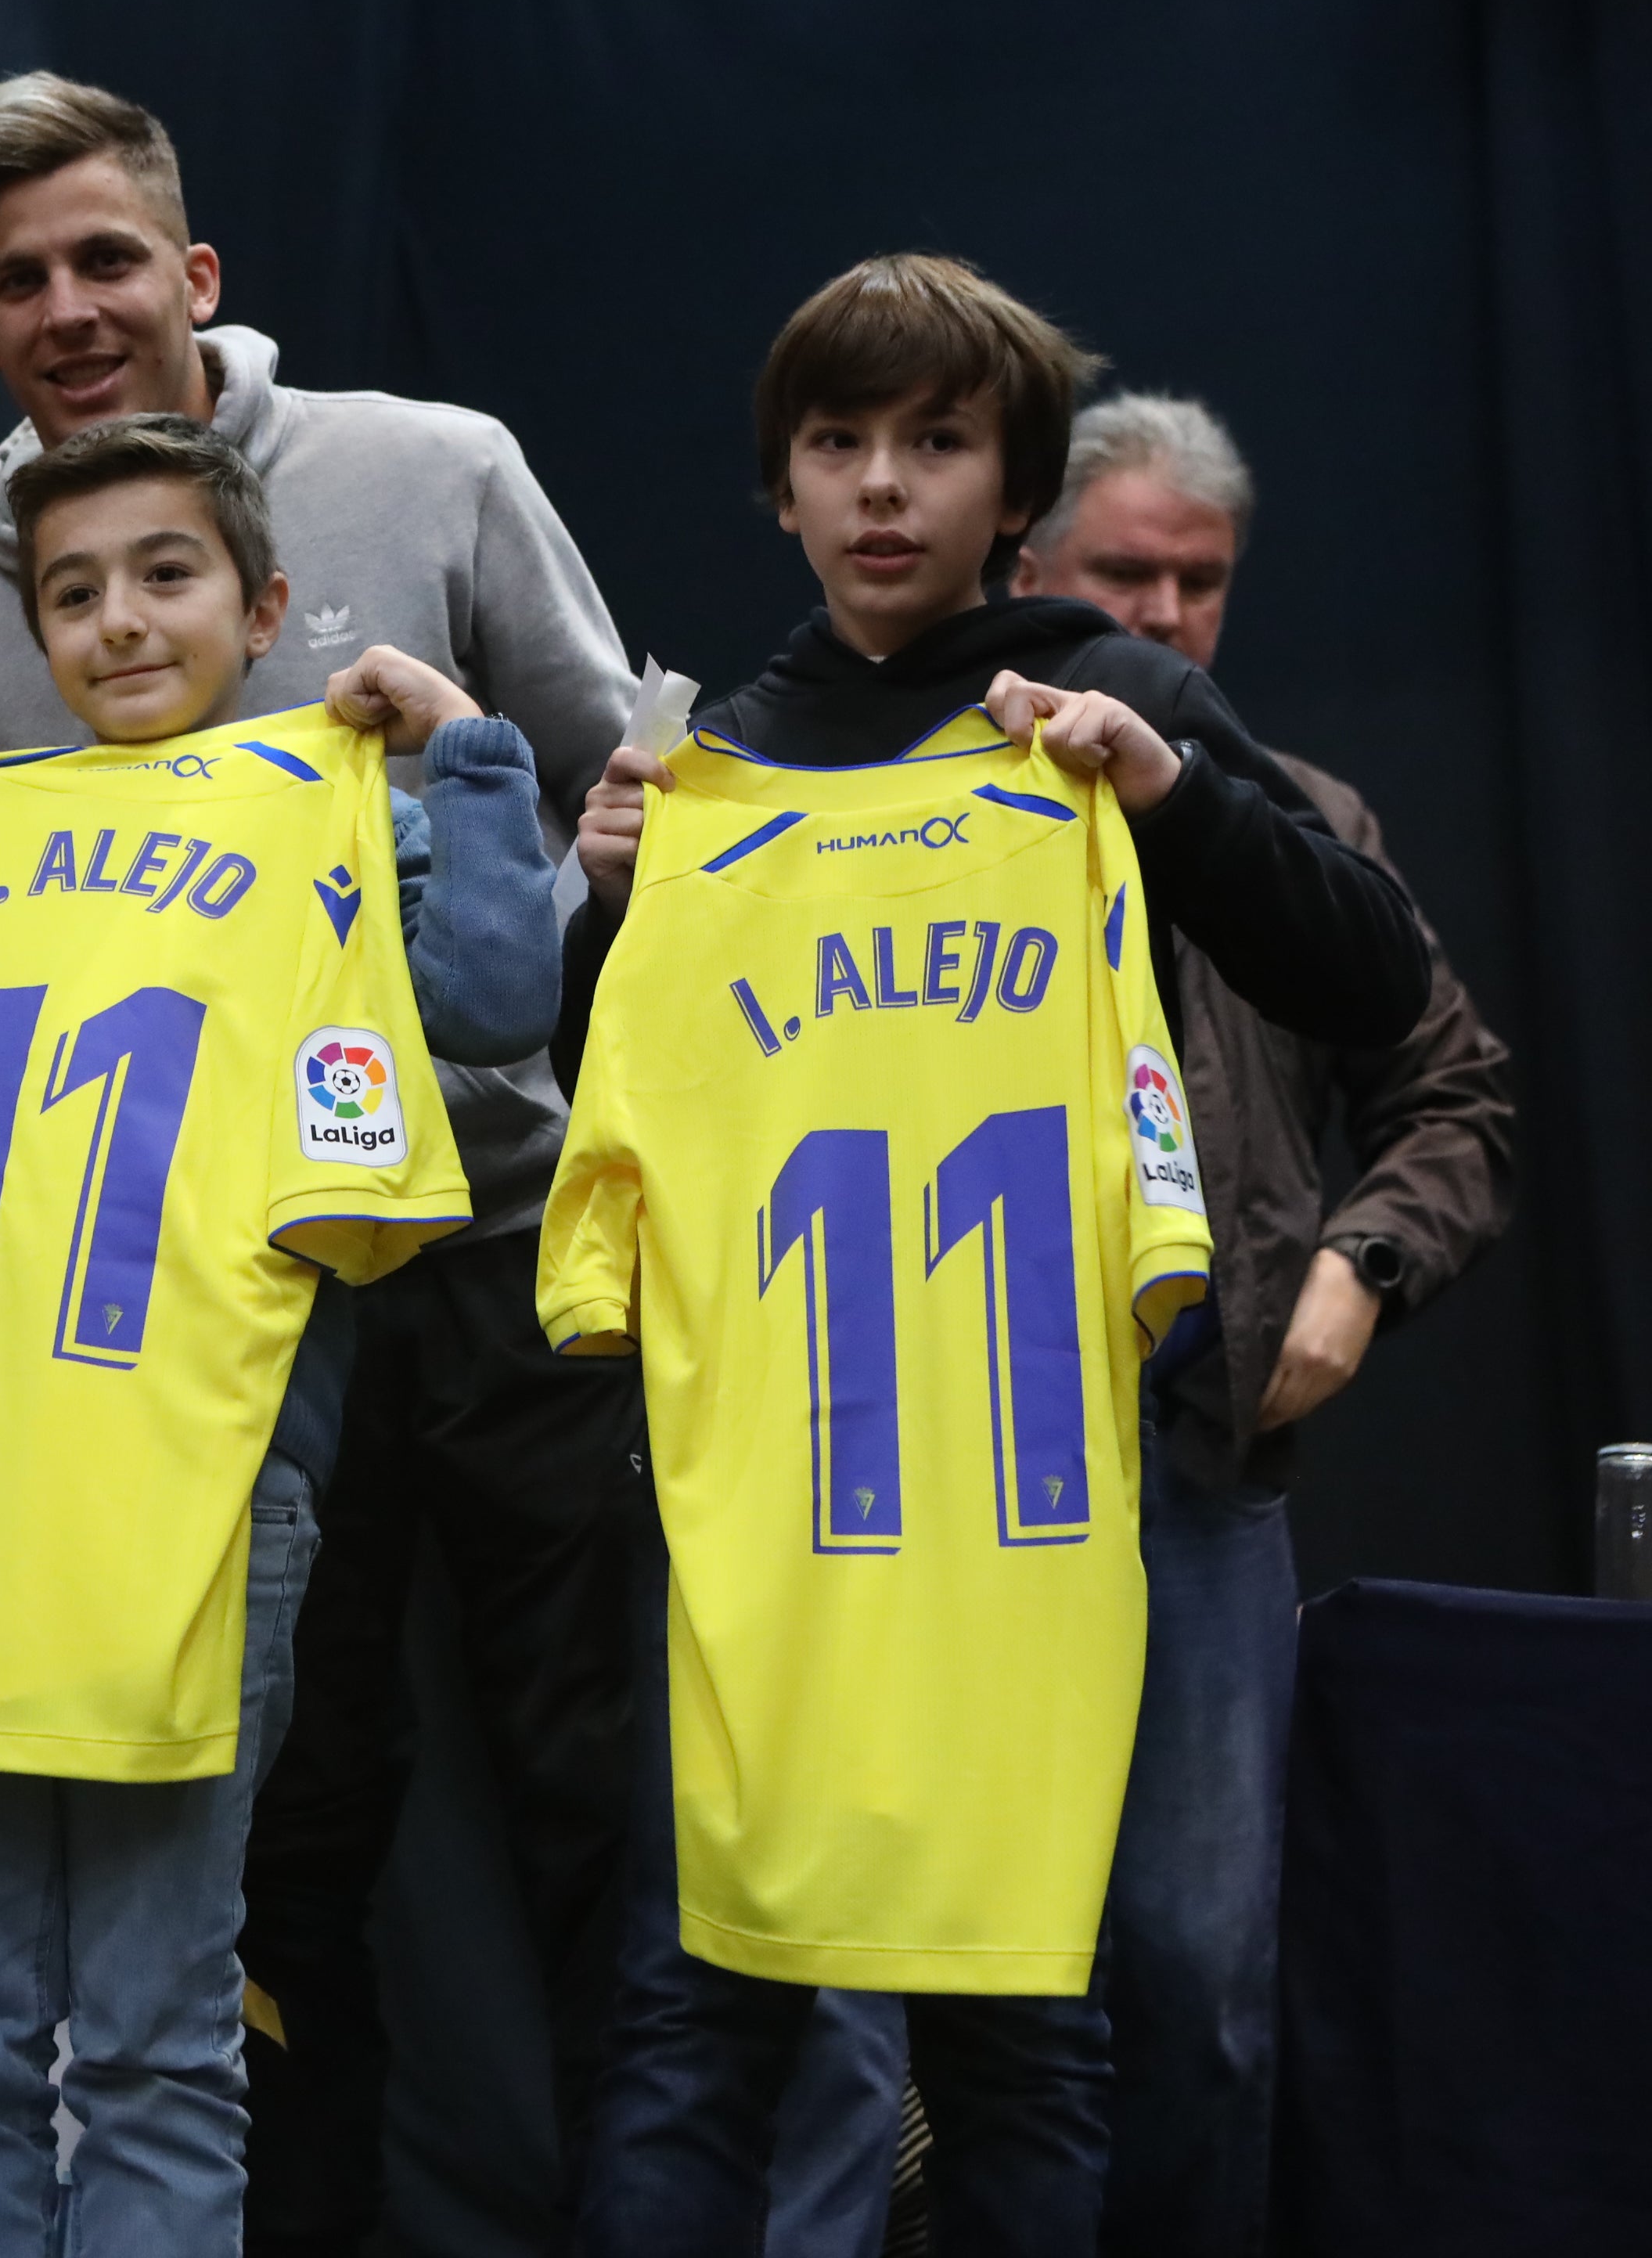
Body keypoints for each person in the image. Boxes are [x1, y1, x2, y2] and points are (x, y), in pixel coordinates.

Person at [558, 257, 1431, 2253]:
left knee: (1050, 2018)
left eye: (937, 445)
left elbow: (1376, 976)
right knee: (700, 2005)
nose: (883, 487)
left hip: (1065, 1489)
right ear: (780, 486)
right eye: (838, 444)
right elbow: (602, 1090)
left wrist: (1175, 798)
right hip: (779, 1489)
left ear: (1012, 493)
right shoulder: (723, 747)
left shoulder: (1101, 697)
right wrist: (610, 903)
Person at [0, 69, 649, 2245]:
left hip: (495, 1241)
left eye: (106, 259)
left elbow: (640, 811)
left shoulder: (441, 473)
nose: (69, 305)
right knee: (279, 1838)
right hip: (192, 1329)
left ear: (195, 273)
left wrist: (476, 817)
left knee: (581, 1784)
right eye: (19, 279)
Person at [0, 411, 559, 2257]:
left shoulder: (337, 813)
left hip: (210, 1498)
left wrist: (471, 758)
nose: (121, 620)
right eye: (74, 591)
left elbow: (505, 1000)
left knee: (158, 2040)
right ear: (29, 633)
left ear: (264, 602)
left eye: (167, 574)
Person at [1010, 394, 1513, 2253]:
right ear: (1033, 573)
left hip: (1200, 1456)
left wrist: (1360, 1267)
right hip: (955, 1455)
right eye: (1124, 571)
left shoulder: (1304, 820)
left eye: (1197, 581)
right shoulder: (915, 800)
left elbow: (1457, 1093)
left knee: (1202, 1980)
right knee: (965, 1987)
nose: (1164, 609)